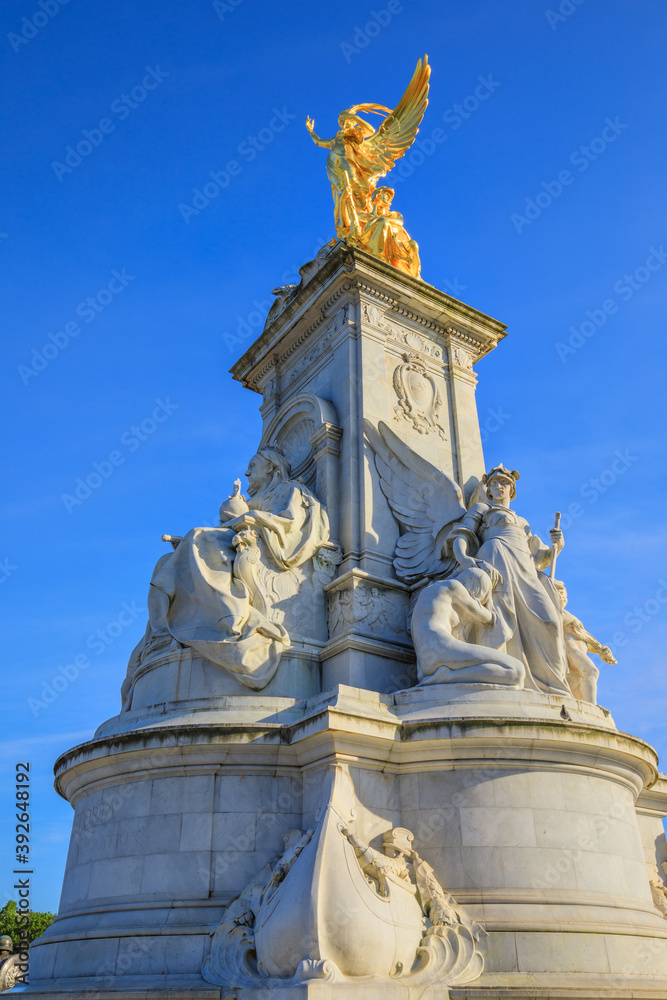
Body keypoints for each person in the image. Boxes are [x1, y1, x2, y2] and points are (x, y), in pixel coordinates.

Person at [121, 447, 329, 706]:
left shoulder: (291, 491)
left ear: (272, 468)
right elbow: (233, 524)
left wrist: (246, 516)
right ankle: (164, 634)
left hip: (258, 545)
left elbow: (290, 525)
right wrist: (235, 512)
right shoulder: (258, 499)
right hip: (238, 541)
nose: (247, 472)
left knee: (198, 537)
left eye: (253, 465)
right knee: (167, 561)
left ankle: (229, 619)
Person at [446, 465, 570, 695]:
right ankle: (498, 674)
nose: (499, 486)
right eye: (494, 483)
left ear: (512, 490)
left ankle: (552, 687)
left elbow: (542, 557)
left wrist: (558, 544)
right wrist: (463, 558)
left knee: (550, 621)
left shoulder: (522, 522)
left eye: (504, 483)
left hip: (525, 568)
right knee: (499, 619)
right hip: (496, 559)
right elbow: (463, 533)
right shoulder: (482, 508)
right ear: (488, 489)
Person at [411, 566, 525, 687]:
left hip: (426, 665)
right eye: (476, 593)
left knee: (514, 672)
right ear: (468, 581)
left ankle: (448, 676)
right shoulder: (455, 586)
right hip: (441, 648)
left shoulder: (430, 592)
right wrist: (498, 612)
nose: (474, 598)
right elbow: (483, 614)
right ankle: (447, 677)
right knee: (516, 671)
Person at [554, 580, 616, 703]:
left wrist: (599, 649)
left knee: (578, 685)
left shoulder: (570, 616)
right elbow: (554, 622)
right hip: (570, 651)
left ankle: (589, 705)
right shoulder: (555, 613)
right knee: (591, 671)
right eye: (558, 593)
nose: (562, 597)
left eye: (563, 594)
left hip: (578, 652)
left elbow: (583, 638)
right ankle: (592, 705)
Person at [358, 187, 421, 277]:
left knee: (413, 244)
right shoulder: (365, 216)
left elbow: (399, 222)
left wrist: (378, 220)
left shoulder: (394, 214)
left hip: (396, 243)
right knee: (383, 223)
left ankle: (416, 276)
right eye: (387, 195)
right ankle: (378, 257)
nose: (389, 198)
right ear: (378, 196)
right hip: (372, 243)